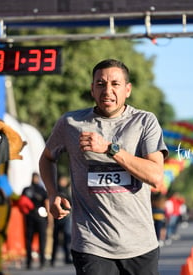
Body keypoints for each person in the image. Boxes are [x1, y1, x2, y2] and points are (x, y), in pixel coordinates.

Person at [39, 59, 168, 275]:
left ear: (127, 90)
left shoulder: (145, 122)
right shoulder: (71, 123)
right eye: (100, 84)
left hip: (140, 245)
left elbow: (155, 176)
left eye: (115, 84)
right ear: (92, 89)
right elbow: (47, 158)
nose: (107, 91)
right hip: (91, 244)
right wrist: (52, 193)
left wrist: (110, 149)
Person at [21, 172, 49, 269]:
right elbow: (22, 203)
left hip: (40, 218)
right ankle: (29, 262)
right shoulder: (27, 190)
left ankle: (42, 261)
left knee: (41, 241)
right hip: (31, 218)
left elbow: (46, 203)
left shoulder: (41, 190)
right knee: (29, 241)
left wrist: (48, 217)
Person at [51, 175, 73, 266]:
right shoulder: (57, 191)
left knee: (66, 239)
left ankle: (67, 257)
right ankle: (53, 259)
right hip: (57, 218)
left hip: (66, 218)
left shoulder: (68, 191)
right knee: (56, 239)